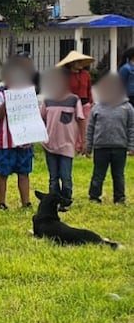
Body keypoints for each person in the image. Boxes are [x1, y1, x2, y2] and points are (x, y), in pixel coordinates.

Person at [0, 56, 37, 210]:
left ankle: (26, 202)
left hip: (23, 140)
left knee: (24, 173)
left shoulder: (27, 92)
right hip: (5, 141)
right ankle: (1, 202)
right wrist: (9, 98)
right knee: (3, 173)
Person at [40, 67, 85, 211]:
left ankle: (66, 201)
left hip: (67, 144)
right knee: (53, 177)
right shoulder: (47, 100)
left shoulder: (73, 99)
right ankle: (54, 202)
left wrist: (83, 141)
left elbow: (81, 120)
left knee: (65, 176)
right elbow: (41, 119)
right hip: (49, 144)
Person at [86, 73, 134, 204]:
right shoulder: (97, 107)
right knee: (98, 174)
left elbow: (131, 128)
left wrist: (131, 147)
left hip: (120, 147)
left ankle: (119, 197)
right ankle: (94, 196)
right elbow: (90, 128)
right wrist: (88, 147)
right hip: (101, 147)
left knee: (118, 175)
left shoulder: (127, 107)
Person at [58, 51, 94, 151]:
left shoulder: (86, 74)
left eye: (81, 62)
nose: (80, 64)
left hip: (84, 103)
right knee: (71, 127)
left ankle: (82, 147)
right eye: (78, 62)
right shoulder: (66, 76)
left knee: (84, 127)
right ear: (72, 63)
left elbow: (89, 89)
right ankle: (72, 147)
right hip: (71, 104)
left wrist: (91, 102)